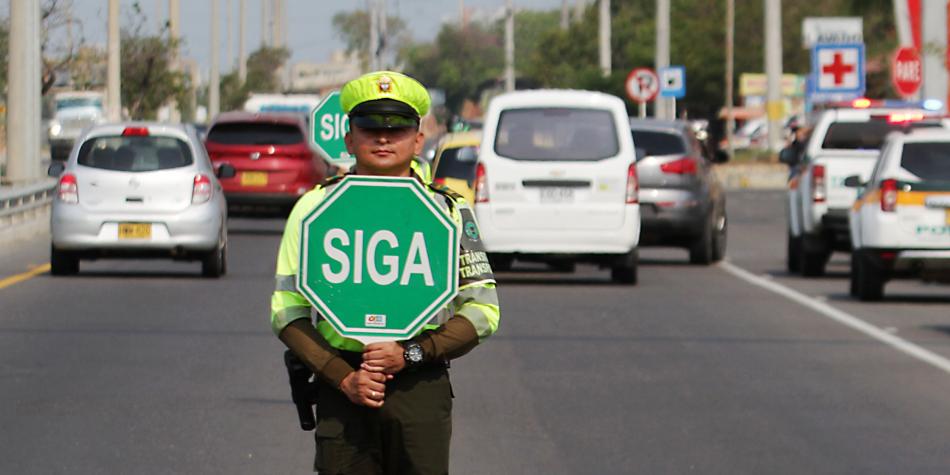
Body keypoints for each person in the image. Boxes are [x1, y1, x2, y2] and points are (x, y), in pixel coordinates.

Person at [270, 70, 501, 474]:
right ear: (348, 138)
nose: (382, 139)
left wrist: (409, 354)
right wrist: (344, 378)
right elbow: (286, 311)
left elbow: (483, 312)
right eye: (369, 128)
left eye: (396, 130)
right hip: (342, 386)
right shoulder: (313, 210)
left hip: (419, 388)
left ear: (417, 139)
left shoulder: (449, 211)